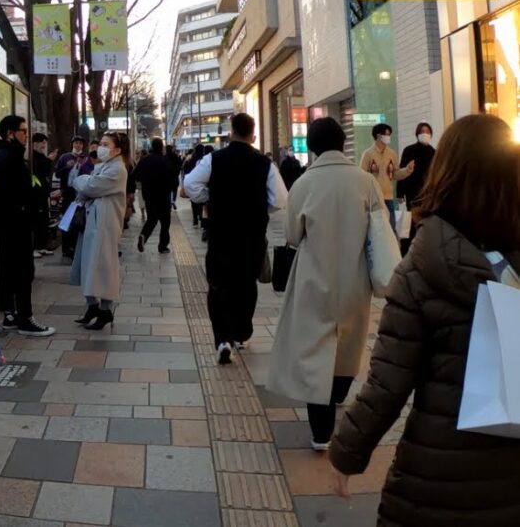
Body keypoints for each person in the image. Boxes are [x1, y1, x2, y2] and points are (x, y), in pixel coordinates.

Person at [329, 114, 520, 527]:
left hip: (439, 475)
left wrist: (347, 451)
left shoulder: (427, 263)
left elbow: (388, 381)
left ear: (447, 170)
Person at [266, 118, 387, 449]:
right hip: (355, 277)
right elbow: (380, 228)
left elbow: (292, 235)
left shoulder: (305, 183)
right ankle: (338, 394)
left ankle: (321, 433)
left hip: (313, 278)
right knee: (348, 345)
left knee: (315, 352)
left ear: (313, 147)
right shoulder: (365, 182)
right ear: (343, 144)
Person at [184, 113, 287, 365]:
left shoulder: (213, 159)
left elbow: (189, 185)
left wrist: (209, 196)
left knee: (218, 286)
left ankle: (222, 340)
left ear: (231, 132)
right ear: (253, 135)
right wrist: (260, 208)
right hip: (252, 237)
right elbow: (280, 200)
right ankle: (242, 333)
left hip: (220, 236)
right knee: (245, 286)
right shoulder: (265, 164)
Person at [0, 115, 56, 337]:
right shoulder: (9, 159)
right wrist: (29, 205)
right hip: (16, 225)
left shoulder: (4, 156)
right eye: (23, 131)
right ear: (10, 134)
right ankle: (25, 318)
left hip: (8, 225)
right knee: (23, 272)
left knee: (10, 271)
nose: (26, 135)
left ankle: (11, 315)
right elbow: (13, 193)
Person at [71, 133, 130, 330]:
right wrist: (84, 181)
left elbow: (90, 185)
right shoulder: (106, 166)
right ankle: (93, 307)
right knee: (89, 264)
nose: (100, 148)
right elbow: (86, 184)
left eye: (106, 144)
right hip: (95, 223)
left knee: (103, 267)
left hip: (105, 225)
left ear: (117, 149)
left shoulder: (116, 170)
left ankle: (105, 310)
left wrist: (83, 181)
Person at [358, 123, 415, 233]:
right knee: (376, 230)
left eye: (389, 135)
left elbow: (395, 174)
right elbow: (361, 176)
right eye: (387, 134)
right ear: (378, 136)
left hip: (388, 198)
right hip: (373, 199)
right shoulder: (368, 154)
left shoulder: (392, 154)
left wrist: (407, 170)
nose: (388, 137)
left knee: (391, 229)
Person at [134, 138, 178, 254]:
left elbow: (135, 175)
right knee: (165, 222)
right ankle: (162, 246)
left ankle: (143, 235)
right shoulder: (165, 160)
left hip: (148, 196)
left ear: (152, 147)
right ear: (161, 147)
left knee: (152, 219)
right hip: (163, 196)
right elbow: (172, 177)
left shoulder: (144, 160)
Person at [396, 122, 435, 249]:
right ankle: (408, 251)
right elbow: (401, 172)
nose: (425, 134)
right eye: (422, 132)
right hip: (412, 192)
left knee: (427, 223)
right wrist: (400, 193)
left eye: (428, 132)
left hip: (429, 194)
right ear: (417, 134)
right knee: (411, 225)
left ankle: (424, 249)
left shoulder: (434, 152)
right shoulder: (409, 150)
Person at [31, 132, 54, 257]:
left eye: (45, 143)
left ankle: (42, 245)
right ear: (35, 143)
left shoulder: (41, 156)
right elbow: (40, 171)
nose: (44, 146)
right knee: (36, 220)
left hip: (43, 194)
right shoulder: (32, 157)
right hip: (35, 194)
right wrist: (49, 160)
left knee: (43, 220)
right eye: (42, 143)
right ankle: (35, 246)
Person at [182, 145, 207, 227]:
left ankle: (195, 220)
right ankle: (202, 219)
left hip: (192, 184)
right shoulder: (204, 160)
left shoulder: (191, 159)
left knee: (194, 202)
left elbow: (185, 170)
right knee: (203, 203)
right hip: (202, 183)